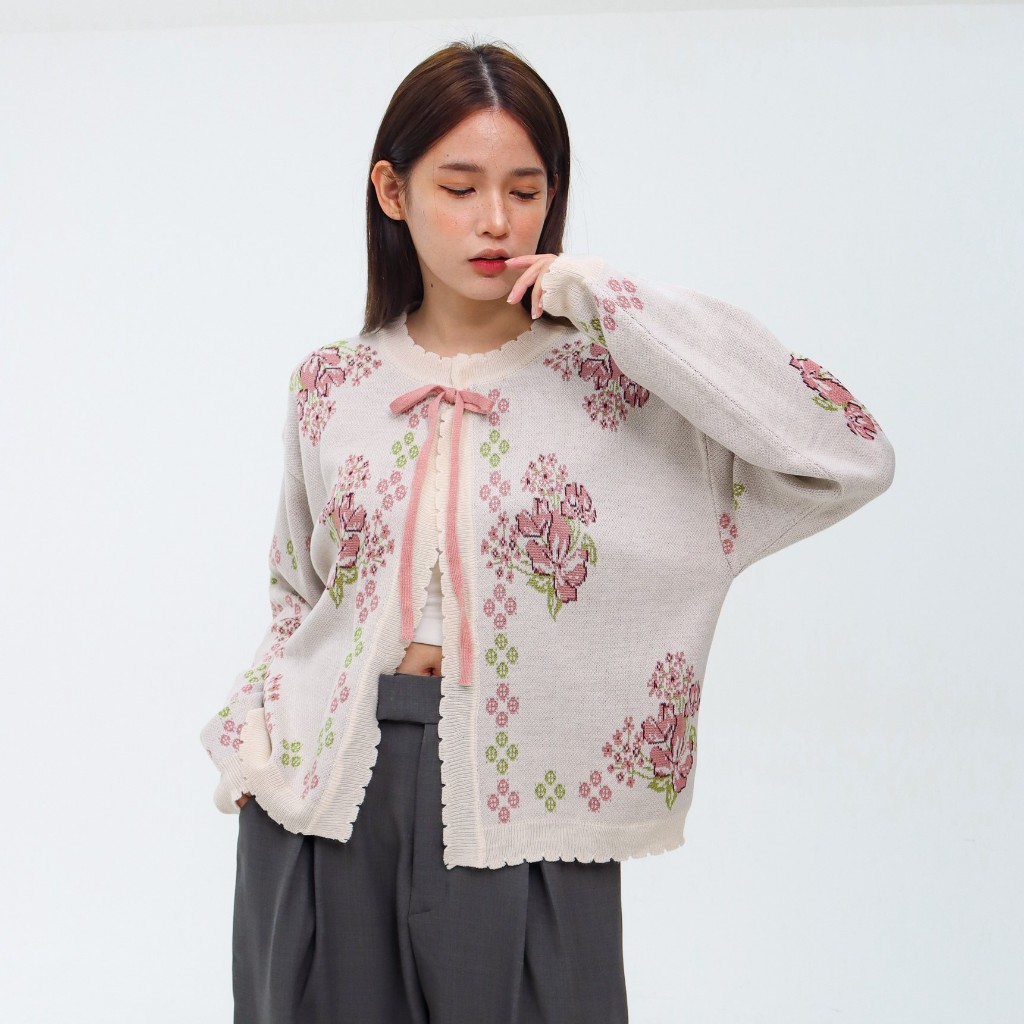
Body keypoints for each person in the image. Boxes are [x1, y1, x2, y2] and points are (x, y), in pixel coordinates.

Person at [199, 38, 895, 1024]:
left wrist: (612, 305)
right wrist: (250, 743)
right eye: (460, 187)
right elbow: (295, 591)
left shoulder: (619, 384)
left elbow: (847, 452)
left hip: (528, 807)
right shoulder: (331, 385)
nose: (496, 219)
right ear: (392, 192)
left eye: (525, 190)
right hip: (323, 800)